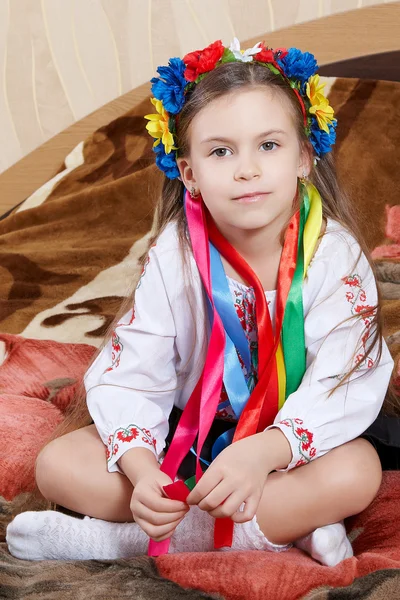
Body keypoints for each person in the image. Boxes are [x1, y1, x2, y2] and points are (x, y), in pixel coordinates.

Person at [6, 38, 394, 567]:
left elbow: (345, 380)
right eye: (220, 151)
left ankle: (117, 543)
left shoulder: (335, 257)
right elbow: (132, 374)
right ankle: (275, 527)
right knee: (58, 464)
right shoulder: (175, 256)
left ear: (305, 157)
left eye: (269, 145)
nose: (247, 169)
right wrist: (144, 475)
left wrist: (265, 452)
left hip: (294, 447)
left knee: (358, 472)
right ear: (189, 172)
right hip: (188, 435)